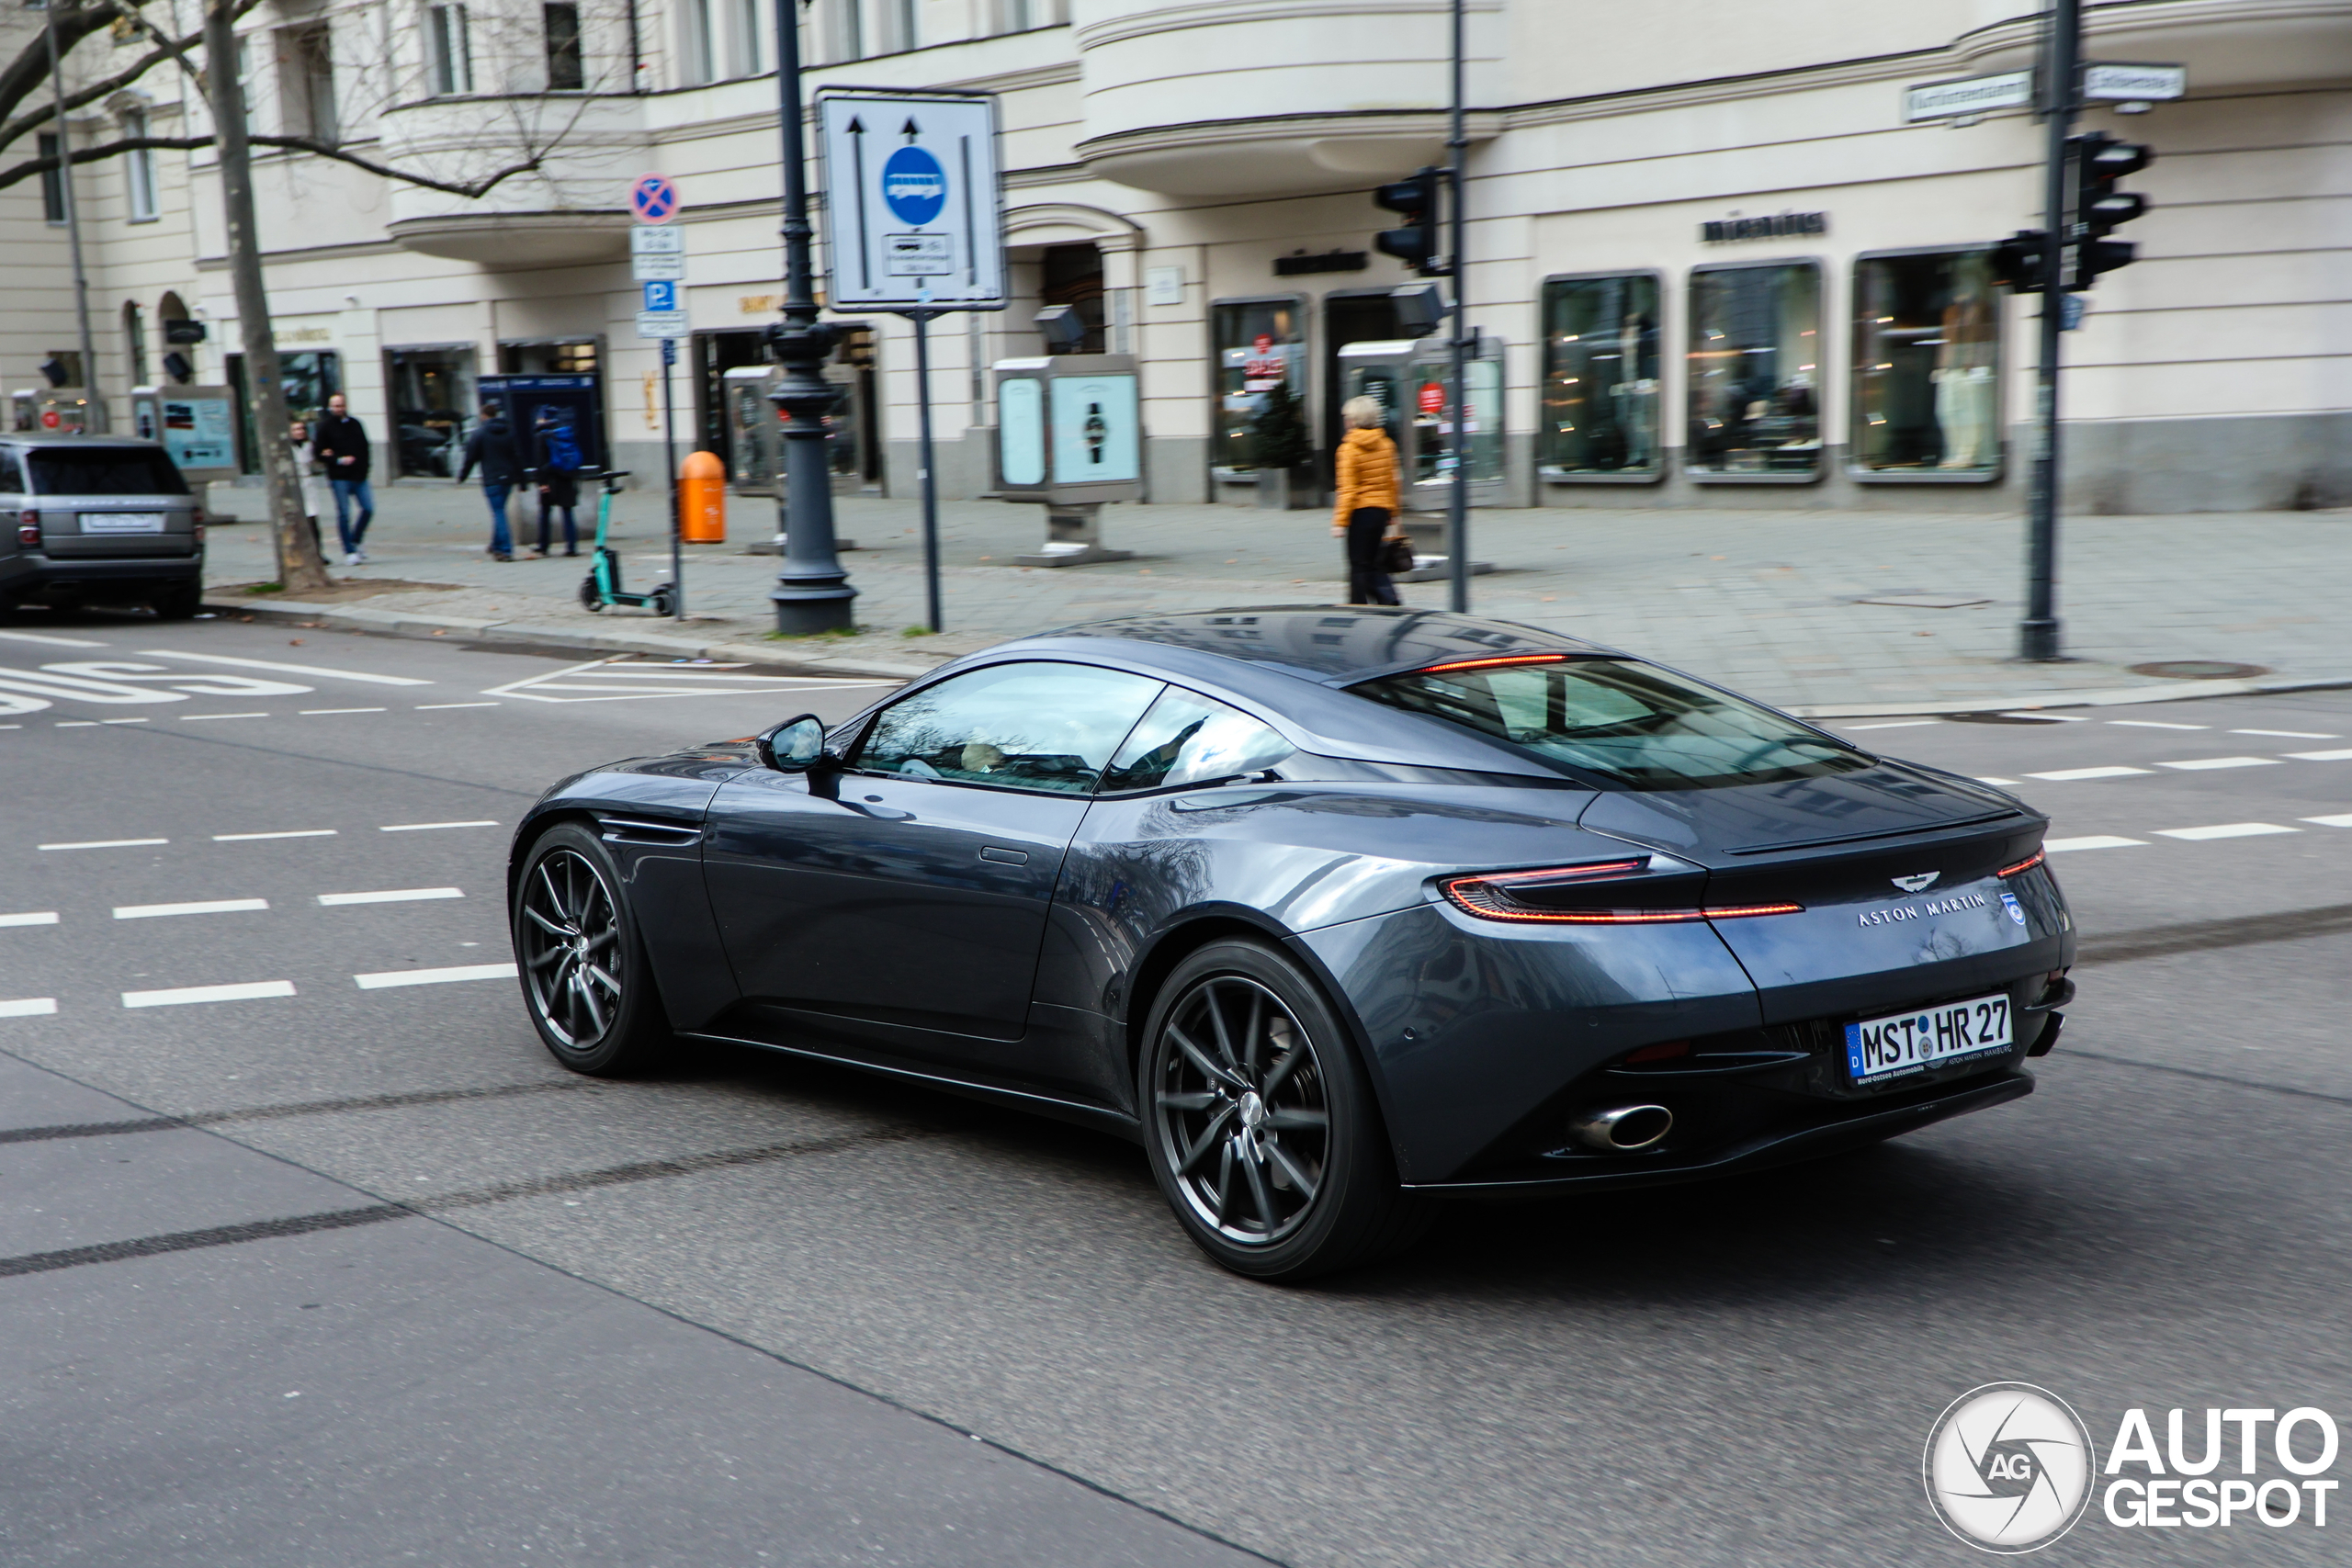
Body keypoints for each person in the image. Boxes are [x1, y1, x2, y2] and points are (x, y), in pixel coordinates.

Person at [1331, 396, 1404, 606]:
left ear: (1354, 420)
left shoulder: (1348, 449)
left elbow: (1347, 489)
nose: (1345, 421)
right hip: (1380, 511)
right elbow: (1394, 482)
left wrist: (1340, 521)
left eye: (1347, 417)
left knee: (1358, 565)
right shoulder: (1387, 445)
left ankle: (1358, 608)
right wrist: (1393, 513)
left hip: (1360, 512)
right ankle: (1388, 602)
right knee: (1374, 561)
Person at [311, 391, 374, 563]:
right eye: (335, 406)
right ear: (331, 407)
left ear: (346, 406)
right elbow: (318, 453)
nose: (338, 408)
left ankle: (356, 539)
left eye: (341, 405)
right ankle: (349, 551)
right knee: (344, 513)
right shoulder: (325, 427)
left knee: (368, 508)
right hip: (339, 477)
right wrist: (337, 460)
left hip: (359, 476)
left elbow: (365, 447)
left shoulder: (355, 424)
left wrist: (365, 468)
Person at [455, 401, 521, 560]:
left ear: (484, 416)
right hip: (507, 479)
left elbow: (470, 457)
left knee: (499, 513)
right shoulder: (509, 431)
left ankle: (506, 550)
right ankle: (496, 545)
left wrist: (462, 476)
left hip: (492, 479)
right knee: (500, 512)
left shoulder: (480, 433)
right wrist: (522, 480)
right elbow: (517, 456)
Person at [529, 405, 583, 558]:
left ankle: (543, 546)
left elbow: (541, 463)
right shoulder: (565, 432)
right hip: (566, 478)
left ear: (543, 419)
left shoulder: (542, 436)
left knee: (545, 513)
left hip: (550, 479)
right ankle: (571, 547)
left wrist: (542, 483)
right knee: (567, 513)